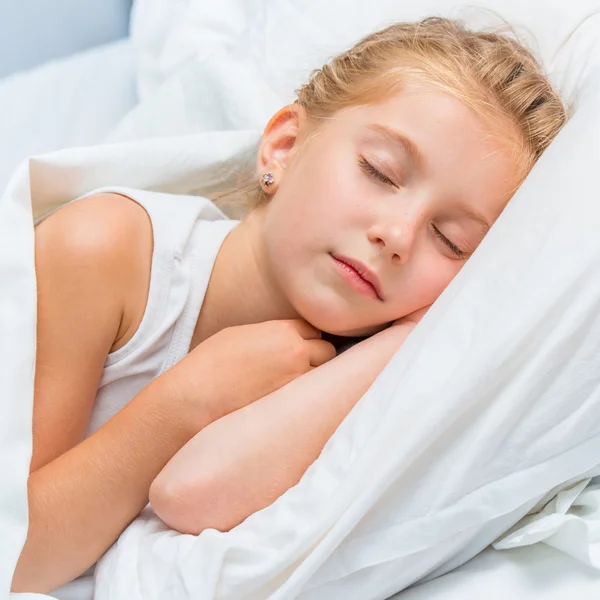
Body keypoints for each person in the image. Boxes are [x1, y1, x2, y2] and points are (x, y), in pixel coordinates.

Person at [12, 16, 568, 594]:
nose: (398, 235)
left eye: (452, 241)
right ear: (283, 145)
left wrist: (413, 337)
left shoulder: (361, 373)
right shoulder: (106, 250)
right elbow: (16, 554)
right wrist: (185, 402)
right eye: (379, 172)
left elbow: (195, 494)